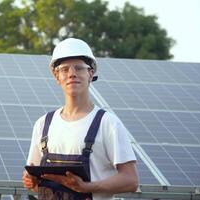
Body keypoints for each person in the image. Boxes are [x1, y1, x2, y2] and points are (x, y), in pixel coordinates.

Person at [22, 38, 138, 200]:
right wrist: (30, 180)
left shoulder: (108, 123)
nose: (72, 74)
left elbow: (131, 180)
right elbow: (35, 184)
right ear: (57, 76)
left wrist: (87, 187)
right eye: (64, 69)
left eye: (79, 68)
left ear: (91, 74)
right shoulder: (43, 124)